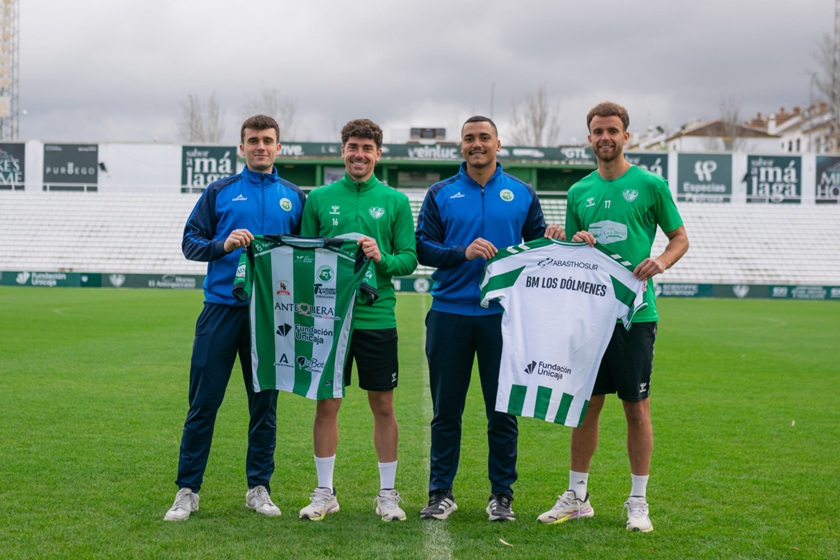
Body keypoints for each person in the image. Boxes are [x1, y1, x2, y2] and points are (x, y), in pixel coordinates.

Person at [537, 101, 688, 532]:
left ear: (626, 136)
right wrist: (567, 237)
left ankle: (637, 501)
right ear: (589, 138)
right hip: (589, 316)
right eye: (598, 131)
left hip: (634, 315)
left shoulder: (650, 185)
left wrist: (661, 260)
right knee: (585, 406)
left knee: (636, 409)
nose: (605, 137)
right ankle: (578, 496)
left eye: (613, 131)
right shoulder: (577, 192)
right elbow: (570, 253)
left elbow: (680, 238)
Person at [415, 115, 564, 522]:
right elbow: (422, 249)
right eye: (469, 139)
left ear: (499, 144)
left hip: (504, 319)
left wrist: (549, 237)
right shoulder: (440, 193)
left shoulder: (521, 192)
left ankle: (502, 496)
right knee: (447, 410)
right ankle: (440, 492)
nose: (476, 144)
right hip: (449, 314)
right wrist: (460, 252)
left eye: (484, 138)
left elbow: (536, 248)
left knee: (502, 411)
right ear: (461, 146)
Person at [164, 115, 306, 521]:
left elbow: (306, 252)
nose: (260, 146)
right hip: (221, 311)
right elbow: (190, 243)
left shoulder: (295, 196)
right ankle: (187, 490)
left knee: (264, 405)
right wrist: (222, 244)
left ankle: (258, 488)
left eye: (268, 140)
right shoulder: (219, 191)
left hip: (271, 316)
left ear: (279, 147)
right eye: (252, 141)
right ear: (241, 148)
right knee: (203, 404)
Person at [298, 118, 417, 522]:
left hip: (376, 317)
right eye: (352, 147)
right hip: (328, 319)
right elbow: (304, 255)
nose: (359, 154)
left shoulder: (396, 201)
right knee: (326, 402)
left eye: (367, 148)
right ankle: (324, 492)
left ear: (378, 154)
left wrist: (381, 256)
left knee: (383, 404)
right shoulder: (319, 198)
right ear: (342, 151)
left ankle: (387, 494)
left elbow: (410, 260)